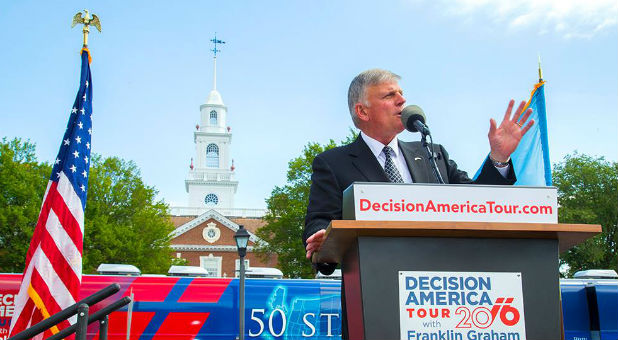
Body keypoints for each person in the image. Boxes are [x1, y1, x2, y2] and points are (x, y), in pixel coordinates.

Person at [302, 68, 533, 338]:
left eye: (402, 94)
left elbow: (477, 203)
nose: (402, 101)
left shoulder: (432, 154)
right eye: (390, 95)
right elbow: (318, 221)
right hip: (377, 301)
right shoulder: (333, 163)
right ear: (362, 111)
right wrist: (322, 238)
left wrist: (499, 158)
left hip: (443, 301)